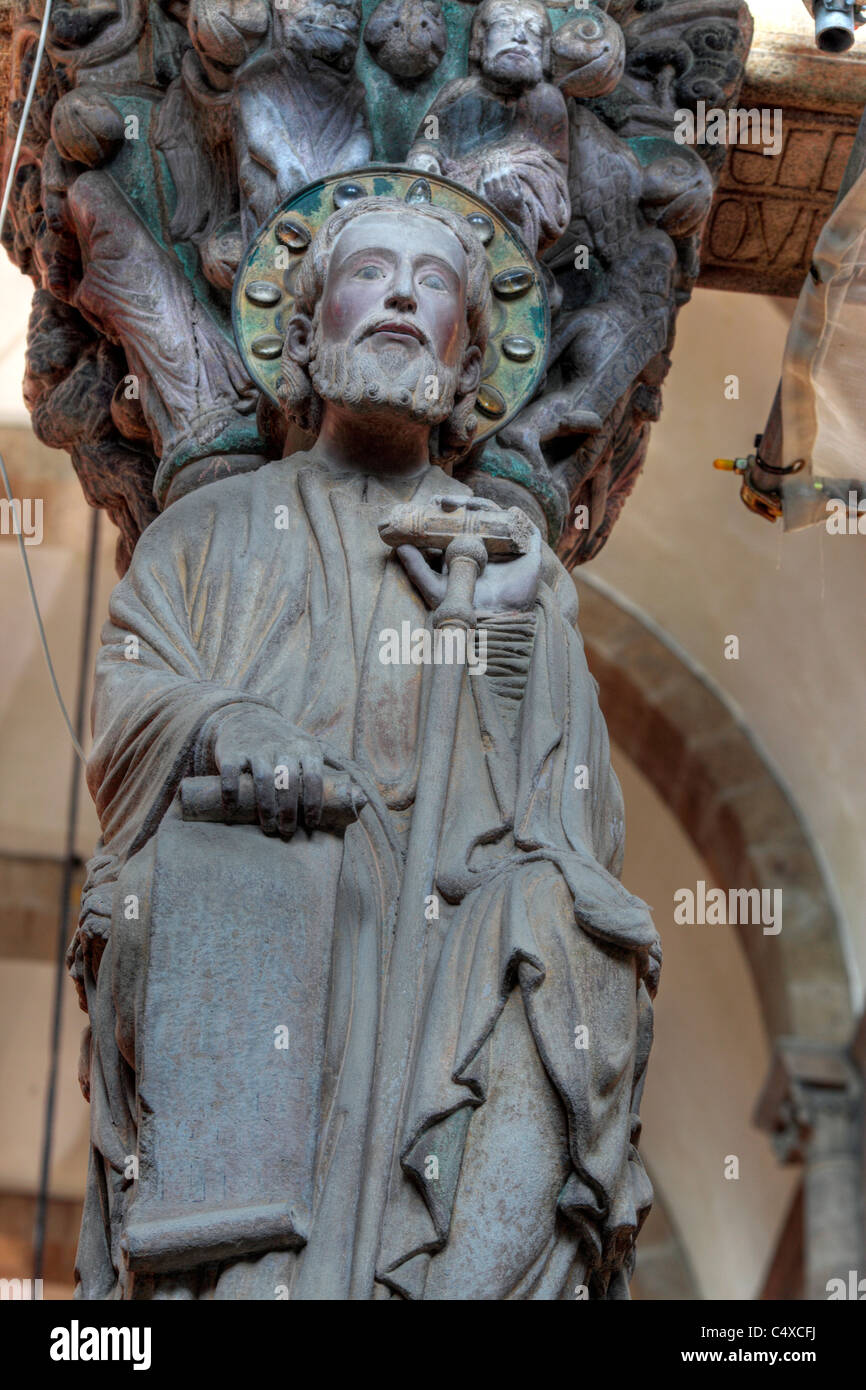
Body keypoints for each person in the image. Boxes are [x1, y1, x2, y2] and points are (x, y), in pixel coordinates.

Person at [70, 195, 659, 1300]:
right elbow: (126, 700)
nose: (400, 293)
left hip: (447, 923)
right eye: (371, 271)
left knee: (558, 926)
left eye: (433, 283)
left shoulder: (508, 558)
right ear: (302, 334)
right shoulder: (217, 526)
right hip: (276, 882)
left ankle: (452, 1277)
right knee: (244, 888)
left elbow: (577, 814)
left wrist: (503, 626)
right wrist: (224, 726)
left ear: (467, 350)